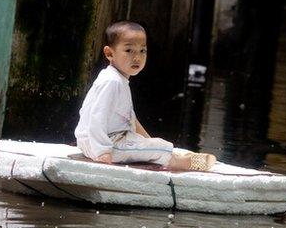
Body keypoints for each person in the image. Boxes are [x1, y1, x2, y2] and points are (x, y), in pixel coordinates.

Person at [75, 21, 217, 171]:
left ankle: (164, 152)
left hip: (102, 140)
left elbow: (131, 119)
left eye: (142, 51)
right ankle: (181, 162)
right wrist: (103, 152)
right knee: (161, 148)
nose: (137, 57)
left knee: (155, 144)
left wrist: (149, 141)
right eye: (129, 50)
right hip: (105, 144)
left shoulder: (117, 79)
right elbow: (96, 117)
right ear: (110, 53)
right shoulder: (112, 82)